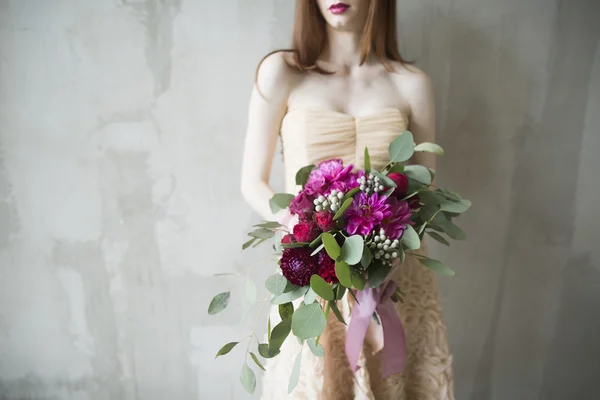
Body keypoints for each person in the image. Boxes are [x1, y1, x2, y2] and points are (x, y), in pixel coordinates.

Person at [240, 1, 454, 398]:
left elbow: (426, 191)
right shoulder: (282, 73)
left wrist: (380, 258)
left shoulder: (411, 83)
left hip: (396, 275)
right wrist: (309, 235)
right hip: (317, 277)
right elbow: (253, 182)